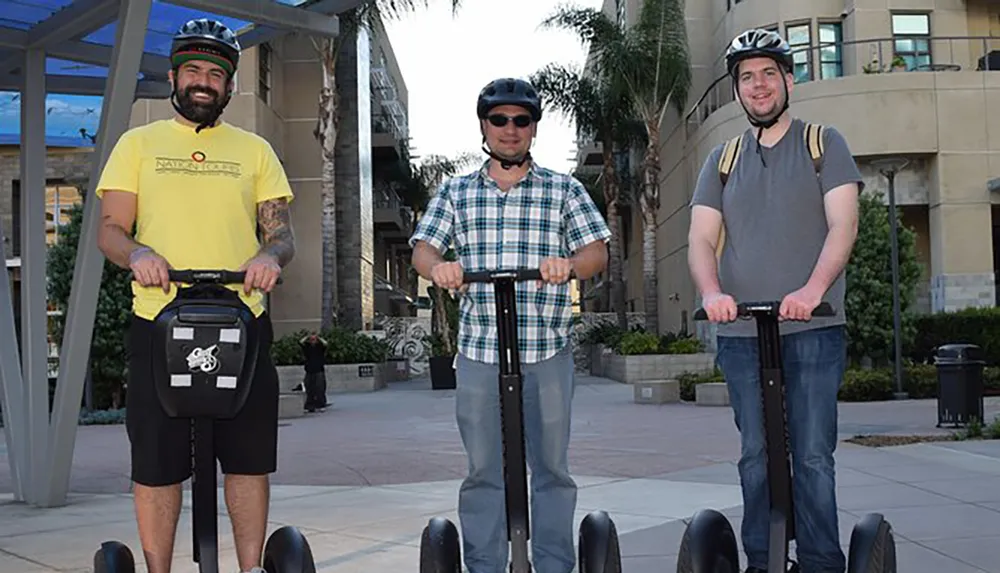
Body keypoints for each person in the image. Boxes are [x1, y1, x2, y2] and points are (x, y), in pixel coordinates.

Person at [95, 18, 295, 573]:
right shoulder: (138, 145)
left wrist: (266, 257)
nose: (203, 81)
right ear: (174, 76)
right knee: (157, 461)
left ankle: (250, 568)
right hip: (159, 321)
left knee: (248, 460)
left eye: (216, 73)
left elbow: (281, 235)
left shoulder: (255, 151)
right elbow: (110, 229)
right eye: (193, 70)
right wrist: (137, 254)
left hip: (241, 323)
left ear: (230, 85)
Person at [409, 77, 611, 573]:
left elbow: (595, 250)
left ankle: (555, 564)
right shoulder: (457, 191)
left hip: (545, 349)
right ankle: (484, 565)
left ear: (533, 128)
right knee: (483, 470)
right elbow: (423, 247)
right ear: (485, 126)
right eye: (500, 119)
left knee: (551, 471)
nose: (510, 129)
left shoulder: (563, 188)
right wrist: (438, 267)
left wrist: (570, 265)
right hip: (480, 351)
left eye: (521, 120)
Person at [686, 29, 862, 573]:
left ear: (788, 79)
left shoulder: (822, 143)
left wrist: (811, 292)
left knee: (811, 456)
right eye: (746, 77)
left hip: (813, 329)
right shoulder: (722, 158)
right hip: (742, 335)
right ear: (737, 90)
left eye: (768, 73)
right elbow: (698, 238)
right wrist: (712, 292)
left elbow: (843, 224)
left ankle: (821, 562)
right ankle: (761, 562)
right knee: (756, 457)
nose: (758, 86)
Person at [298, 333, 329, 411]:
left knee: (320, 388)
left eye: (314, 339)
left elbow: (326, 343)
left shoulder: (320, 347)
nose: (313, 341)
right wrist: (307, 337)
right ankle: (310, 405)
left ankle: (321, 405)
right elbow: (301, 342)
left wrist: (318, 338)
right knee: (309, 388)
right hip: (309, 370)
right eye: (311, 340)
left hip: (319, 370)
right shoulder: (307, 347)